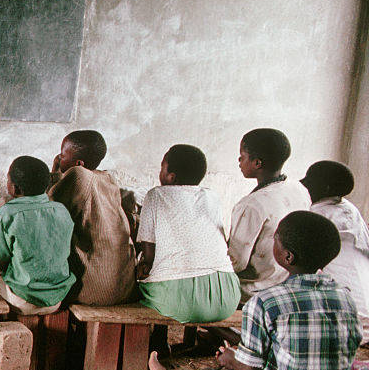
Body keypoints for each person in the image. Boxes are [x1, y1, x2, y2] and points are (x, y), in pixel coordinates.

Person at [150, 211, 362, 370]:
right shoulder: (344, 297)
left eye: (276, 238)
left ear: (287, 257)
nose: (273, 242)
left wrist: (231, 359)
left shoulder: (266, 302)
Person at [135, 145, 241, 323]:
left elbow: (149, 255)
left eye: (162, 167)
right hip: (227, 294)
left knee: (144, 282)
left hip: (178, 300)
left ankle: (158, 343)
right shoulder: (212, 197)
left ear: (171, 176)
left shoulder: (156, 195)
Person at [0, 156, 75, 315]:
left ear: (15, 189)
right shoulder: (61, 210)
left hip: (22, 299)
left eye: (8, 180)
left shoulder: (8, 212)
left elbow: (0, 256)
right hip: (57, 298)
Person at [48, 130, 136, 305]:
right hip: (125, 289)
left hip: (94, 291)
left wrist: (55, 171)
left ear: (79, 163)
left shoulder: (78, 175)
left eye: (62, 155)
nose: (59, 157)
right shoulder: (108, 179)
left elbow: (47, 208)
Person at [228, 128, 310, 300]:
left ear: (257, 163)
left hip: (252, 290)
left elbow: (236, 262)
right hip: (285, 282)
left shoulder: (252, 205)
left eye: (242, 156)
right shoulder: (299, 189)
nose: (239, 160)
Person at [302, 160, 369, 340]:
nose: (303, 183)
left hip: (349, 322)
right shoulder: (350, 209)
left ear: (326, 188)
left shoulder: (316, 215)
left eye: (310, 180)